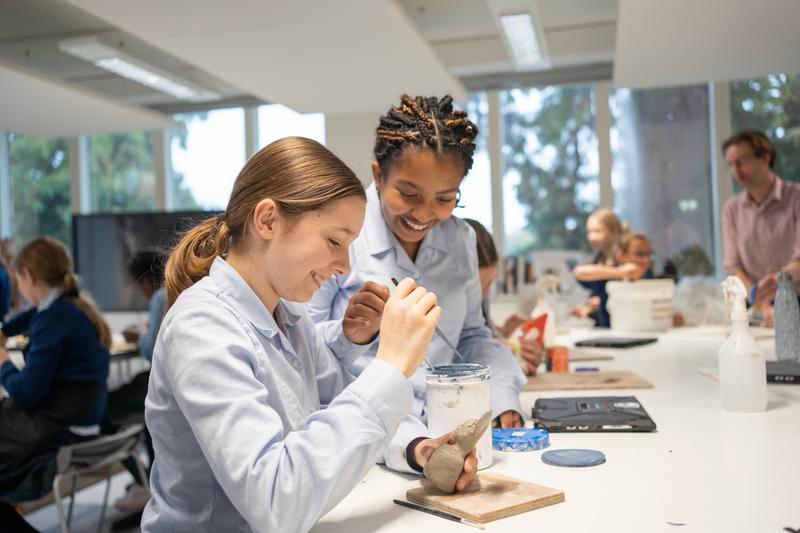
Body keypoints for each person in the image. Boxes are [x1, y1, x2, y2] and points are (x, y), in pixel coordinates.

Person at [141, 137, 476, 533]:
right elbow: (275, 502)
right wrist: (391, 363)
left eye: (350, 246)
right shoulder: (201, 328)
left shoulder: (292, 316)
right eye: (335, 241)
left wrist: (419, 448)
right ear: (267, 220)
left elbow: (343, 409)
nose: (343, 266)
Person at [307, 94, 526, 449]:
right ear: (379, 176)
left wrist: (501, 397)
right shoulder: (342, 235)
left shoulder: (460, 238)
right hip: (361, 434)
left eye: (444, 198)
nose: (424, 214)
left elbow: (471, 336)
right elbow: (299, 346)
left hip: (447, 424)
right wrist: (352, 333)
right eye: (408, 194)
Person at [0, 237, 110, 532]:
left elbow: (25, 394)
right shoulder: (71, 307)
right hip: (81, 418)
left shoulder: (55, 317)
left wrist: (3, 362)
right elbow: (30, 318)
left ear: (29, 277)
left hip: (60, 425)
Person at [107, 249, 167, 512]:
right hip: (168, 381)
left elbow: (151, 348)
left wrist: (139, 339)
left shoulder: (158, 298)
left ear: (142, 281)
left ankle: (144, 482)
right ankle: (147, 481)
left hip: (158, 380)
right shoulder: (180, 290)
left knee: (105, 412)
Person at [721, 130, 800, 324]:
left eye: (742, 161)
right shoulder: (732, 209)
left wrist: (780, 281)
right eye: (731, 164)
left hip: (795, 300)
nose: (736, 171)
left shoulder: (796, 197)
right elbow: (733, 265)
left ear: (765, 158)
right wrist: (758, 301)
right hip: (754, 304)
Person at [463, 218, 544, 375]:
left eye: (489, 282)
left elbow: (484, 337)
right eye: (475, 288)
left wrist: (512, 343)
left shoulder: (481, 299)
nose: (484, 294)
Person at [572, 210, 646, 327]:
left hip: (626, 324)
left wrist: (622, 273)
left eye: (597, 231)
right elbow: (579, 274)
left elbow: (636, 275)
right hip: (607, 324)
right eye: (589, 232)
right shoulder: (600, 258)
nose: (592, 237)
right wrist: (591, 308)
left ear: (613, 231)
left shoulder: (626, 255)